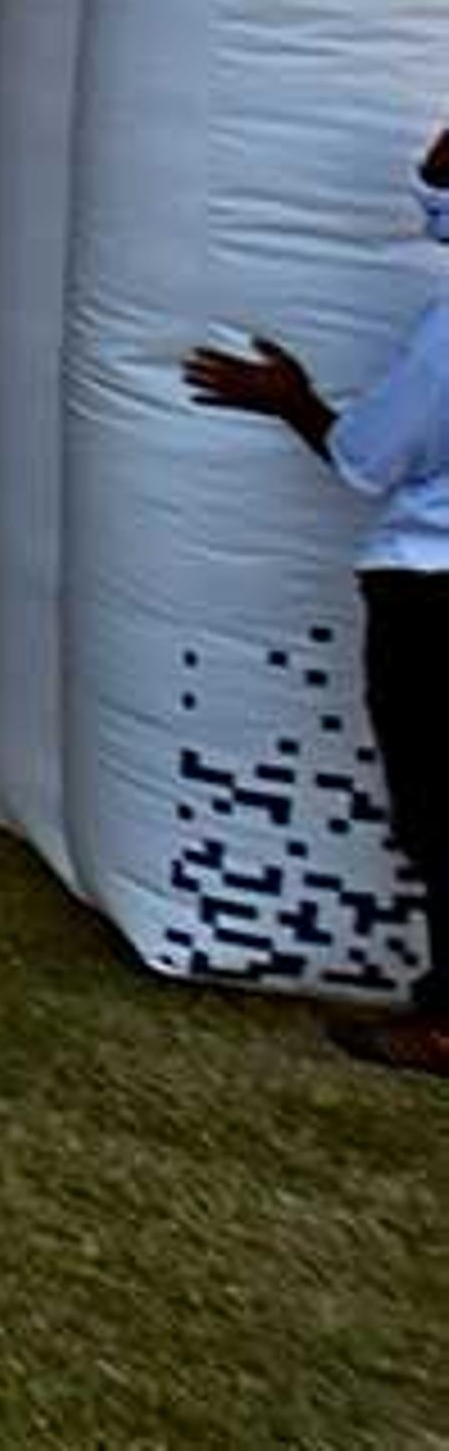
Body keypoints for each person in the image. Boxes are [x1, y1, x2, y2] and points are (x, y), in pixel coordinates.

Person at [184, 120, 449, 1078]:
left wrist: (287, 396)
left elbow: (369, 458)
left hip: (434, 594)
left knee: (435, 804)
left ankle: (446, 1018)